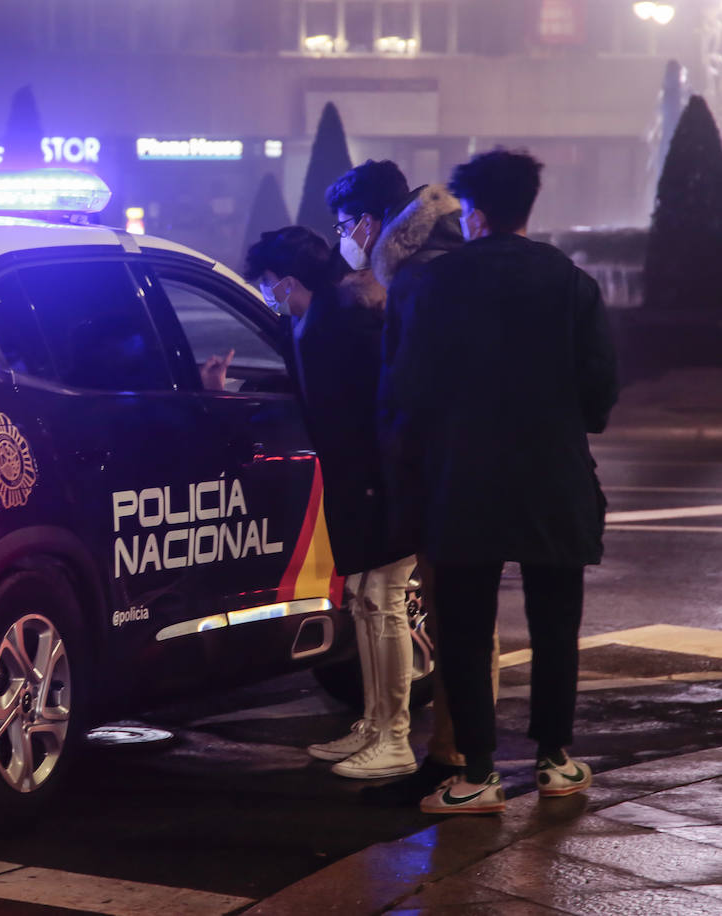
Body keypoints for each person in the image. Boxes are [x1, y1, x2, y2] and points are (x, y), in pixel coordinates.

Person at [380, 149, 618, 814]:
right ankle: (554, 760)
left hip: (462, 479)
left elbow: (403, 390)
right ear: (525, 208)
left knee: (463, 627)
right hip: (553, 478)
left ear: (476, 214)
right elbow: (600, 392)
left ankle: (476, 771)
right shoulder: (571, 283)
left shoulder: (427, 286)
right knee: (554, 624)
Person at [329, 160, 498, 805]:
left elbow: (416, 384)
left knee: (459, 611)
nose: (346, 236)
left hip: (446, 468)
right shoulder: (447, 261)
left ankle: (458, 752)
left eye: (347, 224)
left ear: (371, 222)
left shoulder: (418, 278)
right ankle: (454, 746)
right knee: (463, 611)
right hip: (471, 461)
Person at [245, 226, 417, 779]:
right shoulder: (311, 322)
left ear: (289, 281)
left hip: (379, 482)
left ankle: (395, 736)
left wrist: (379, 480)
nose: (269, 294)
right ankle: (374, 722)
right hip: (356, 482)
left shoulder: (345, 324)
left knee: (381, 599)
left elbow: (378, 406)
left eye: (270, 284)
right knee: (365, 600)